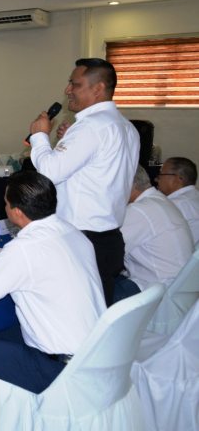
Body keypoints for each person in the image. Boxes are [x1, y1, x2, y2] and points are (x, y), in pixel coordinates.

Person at [0, 171, 106, 416]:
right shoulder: (73, 233)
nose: (4, 206)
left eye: (6, 202)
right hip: (94, 354)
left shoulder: (24, 248)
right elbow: (27, 273)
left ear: (16, 212)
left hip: (58, 369)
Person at [29, 58, 140, 306]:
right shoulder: (126, 127)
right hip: (108, 239)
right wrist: (69, 144)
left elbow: (49, 173)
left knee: (73, 317)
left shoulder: (91, 127)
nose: (68, 90)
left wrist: (39, 135)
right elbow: (95, 172)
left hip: (82, 239)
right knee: (96, 315)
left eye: (74, 84)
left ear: (98, 88)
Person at [113, 166, 193, 303]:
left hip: (157, 292)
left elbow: (109, 253)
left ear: (127, 184)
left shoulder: (139, 210)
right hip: (174, 286)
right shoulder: (159, 200)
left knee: (88, 293)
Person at [156, 157, 199, 246]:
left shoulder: (176, 204)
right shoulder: (194, 196)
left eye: (161, 174)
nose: (156, 179)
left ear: (178, 179)